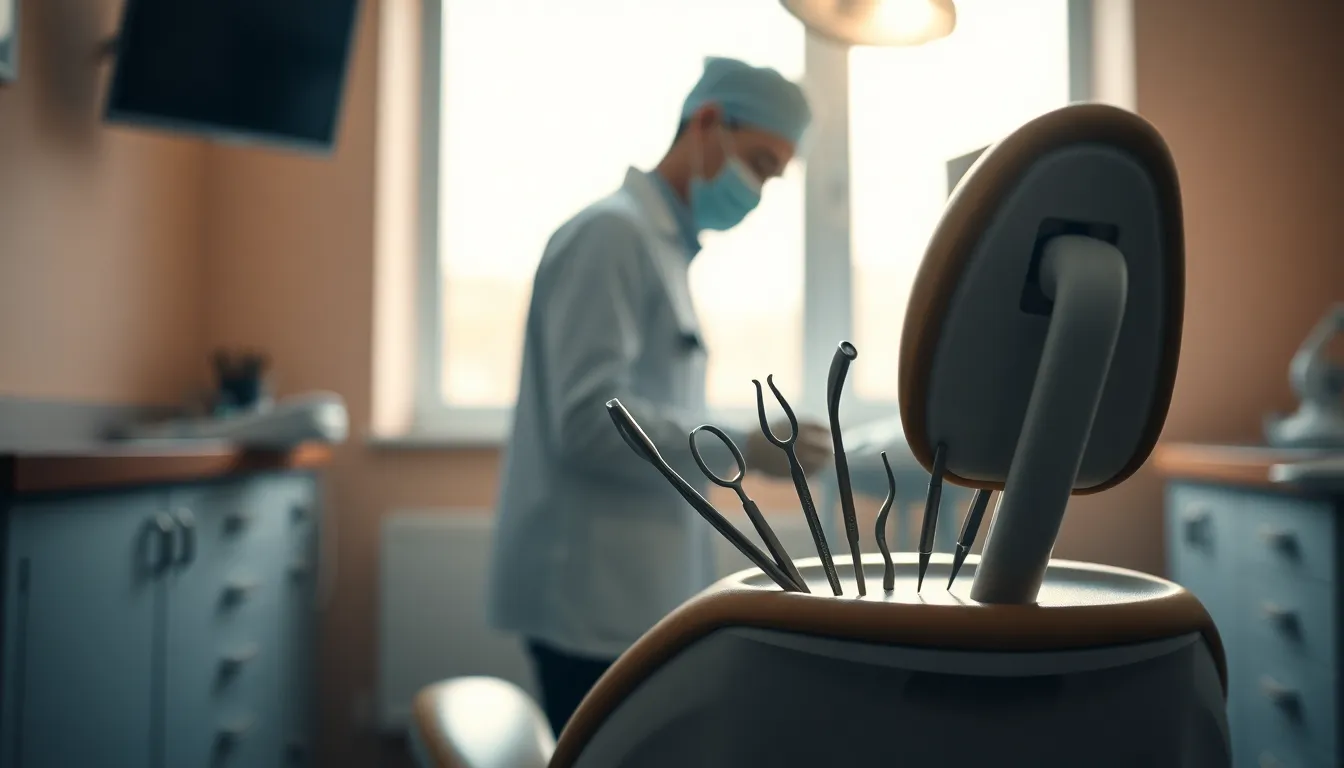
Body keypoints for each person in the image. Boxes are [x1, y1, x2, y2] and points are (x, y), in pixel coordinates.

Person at [486, 56, 833, 737]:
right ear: (706, 123)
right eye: (760, 164)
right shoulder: (611, 235)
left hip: (627, 594)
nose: (759, 190)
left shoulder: (663, 246)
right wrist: (743, 446)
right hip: (588, 600)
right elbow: (589, 424)